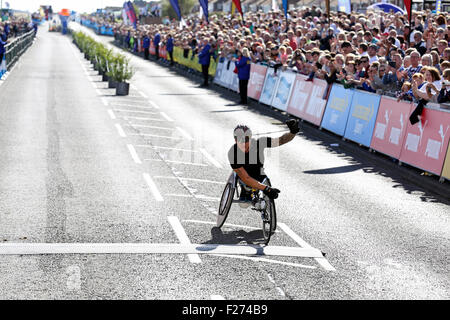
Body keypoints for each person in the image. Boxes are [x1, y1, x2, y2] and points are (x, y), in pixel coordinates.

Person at [227, 120, 299, 207]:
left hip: (259, 175)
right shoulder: (232, 153)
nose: (242, 143)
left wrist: (293, 132)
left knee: (267, 195)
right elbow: (246, 178)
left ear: (250, 138)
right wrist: (266, 189)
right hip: (244, 180)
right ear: (235, 139)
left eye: (245, 139)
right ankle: (247, 191)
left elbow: (281, 140)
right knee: (243, 205)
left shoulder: (259, 143)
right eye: (239, 139)